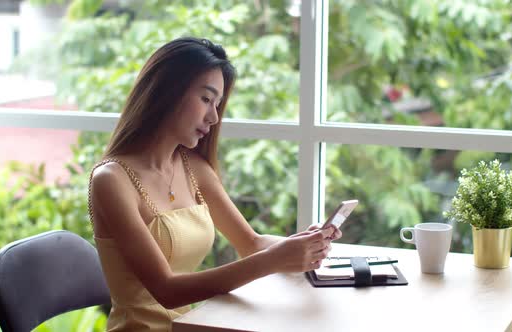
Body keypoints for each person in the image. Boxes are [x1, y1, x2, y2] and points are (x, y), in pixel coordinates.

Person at [88, 37, 342, 331]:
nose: (213, 117)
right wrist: (275, 260)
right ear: (167, 91)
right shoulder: (111, 181)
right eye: (206, 99)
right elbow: (167, 291)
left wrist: (302, 245)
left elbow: (252, 243)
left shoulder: (192, 167)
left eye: (217, 104)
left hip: (190, 325)